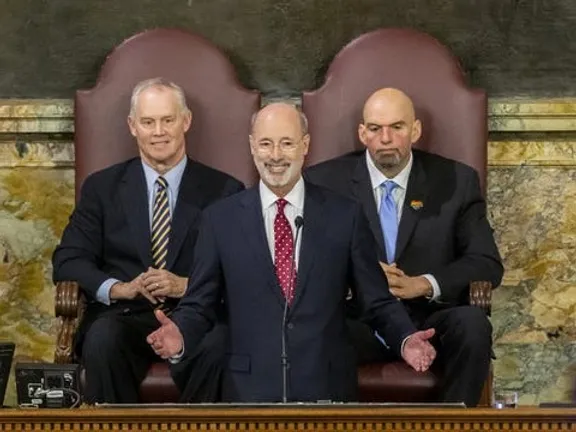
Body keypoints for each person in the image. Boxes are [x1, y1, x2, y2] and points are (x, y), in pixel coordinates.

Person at [146, 102, 436, 403]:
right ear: (252, 147)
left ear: (305, 145)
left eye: (286, 143)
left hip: (326, 388)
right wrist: (179, 335)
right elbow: (199, 304)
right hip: (248, 391)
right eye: (266, 144)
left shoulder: (344, 215)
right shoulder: (220, 220)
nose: (275, 156)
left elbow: (375, 300)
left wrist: (405, 338)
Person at [304, 88, 504, 407]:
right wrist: (359, 275)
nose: (386, 137)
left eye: (397, 127)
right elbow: (303, 261)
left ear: (416, 130)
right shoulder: (324, 181)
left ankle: (451, 429)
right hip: (359, 320)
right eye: (375, 128)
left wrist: (423, 284)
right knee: (315, 331)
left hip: (429, 317)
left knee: (473, 326)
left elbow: (486, 263)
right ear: (362, 133)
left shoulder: (456, 181)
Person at [52, 78, 245, 404]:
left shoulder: (225, 191)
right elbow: (68, 260)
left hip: (196, 317)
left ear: (186, 122)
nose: (159, 131)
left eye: (168, 120)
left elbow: (244, 270)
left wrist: (186, 286)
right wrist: (119, 288)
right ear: (132, 126)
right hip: (125, 317)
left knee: (221, 344)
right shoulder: (102, 188)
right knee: (102, 339)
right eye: (148, 122)